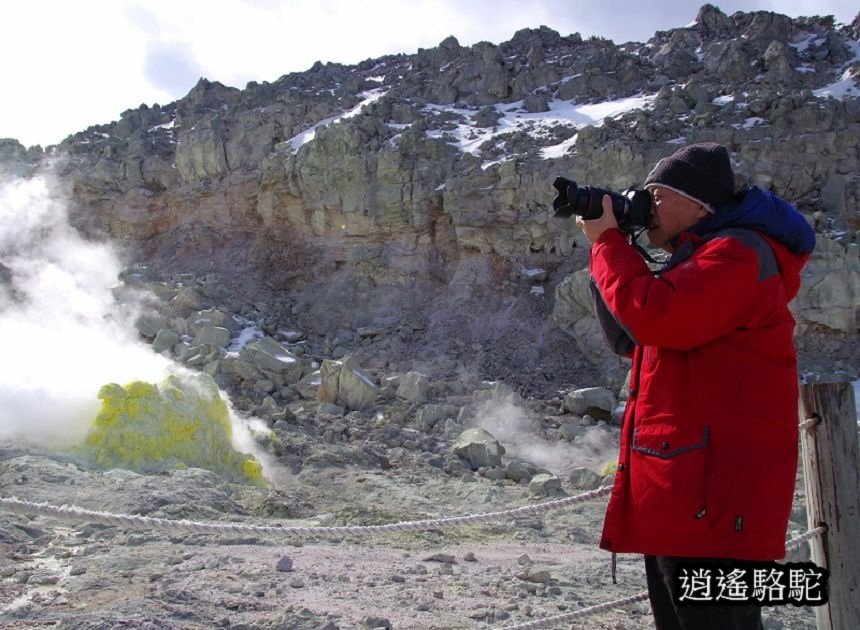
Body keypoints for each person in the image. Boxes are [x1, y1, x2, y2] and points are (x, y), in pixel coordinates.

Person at [575, 142, 816, 630]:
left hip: (714, 507)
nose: (647, 205)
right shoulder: (702, 259)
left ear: (699, 202)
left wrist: (609, 245)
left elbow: (657, 318)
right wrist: (608, 247)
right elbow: (630, 336)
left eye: (656, 195)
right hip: (687, 499)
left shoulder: (739, 253)